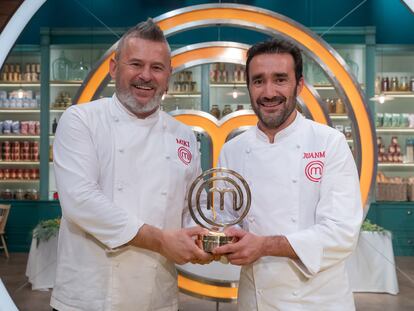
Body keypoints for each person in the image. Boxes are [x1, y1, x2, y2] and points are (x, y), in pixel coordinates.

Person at [51, 18, 211, 311]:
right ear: (114, 68)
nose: (146, 76)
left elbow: (190, 207)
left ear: (168, 75)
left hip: (156, 296)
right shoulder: (81, 120)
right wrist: (161, 241)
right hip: (90, 297)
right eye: (135, 64)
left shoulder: (183, 135)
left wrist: (208, 238)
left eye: (157, 67)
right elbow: (81, 202)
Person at [213, 39, 363, 310]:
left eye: (280, 79)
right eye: (258, 81)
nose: (269, 92)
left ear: (300, 85)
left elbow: (341, 233)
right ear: (248, 86)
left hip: (317, 301)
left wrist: (264, 246)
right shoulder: (233, 150)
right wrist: (215, 239)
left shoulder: (330, 143)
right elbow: (225, 221)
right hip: (254, 299)